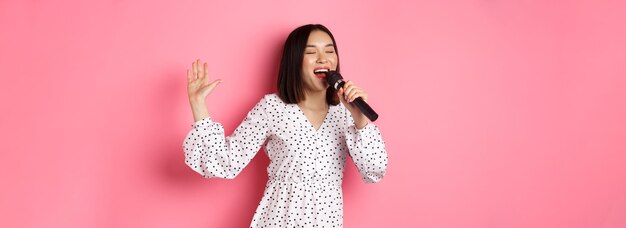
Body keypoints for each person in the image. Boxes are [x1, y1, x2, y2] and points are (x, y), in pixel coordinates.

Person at [183, 24, 388, 227]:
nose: (323, 58)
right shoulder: (272, 107)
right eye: (311, 52)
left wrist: (360, 119)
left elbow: (375, 170)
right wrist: (198, 104)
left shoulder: (346, 113)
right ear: (295, 61)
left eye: (329, 50)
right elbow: (227, 162)